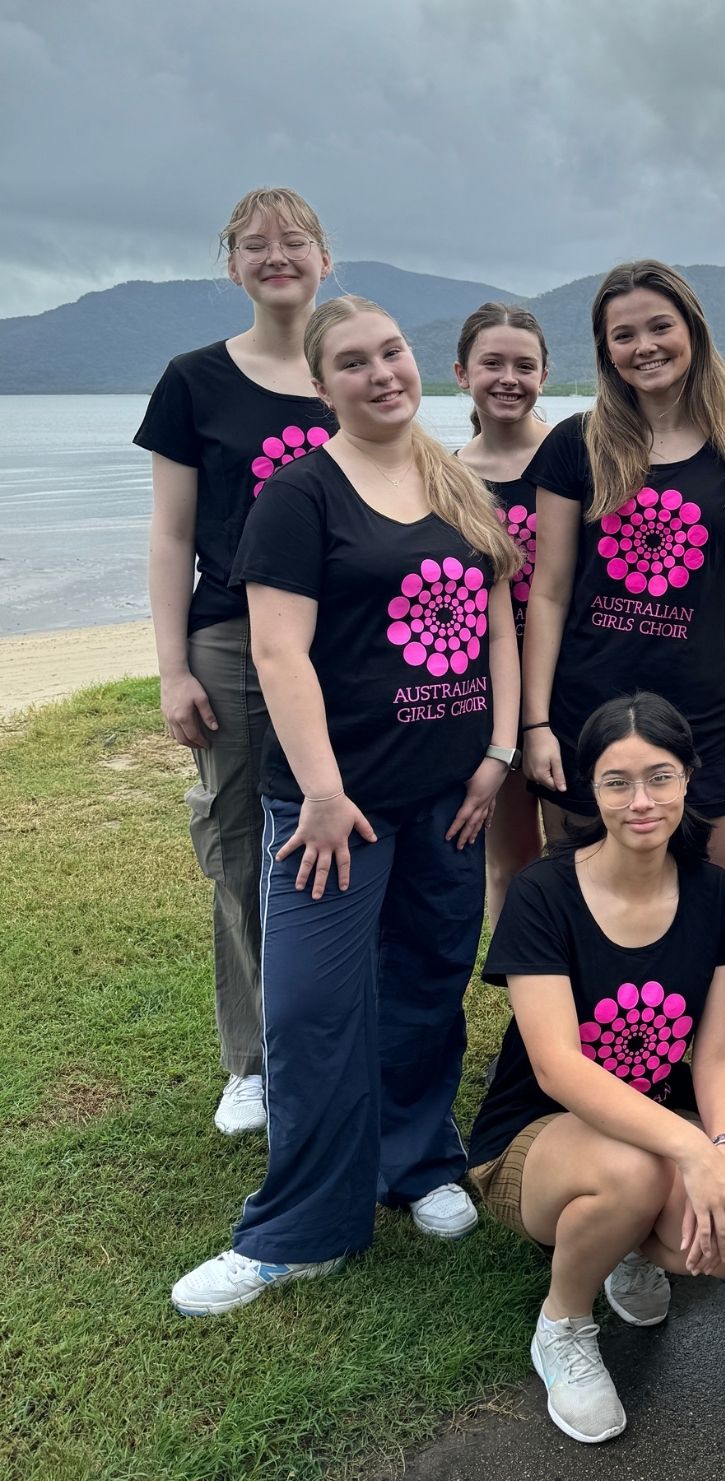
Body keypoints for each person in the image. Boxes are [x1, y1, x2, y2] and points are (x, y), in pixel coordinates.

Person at [171, 295, 522, 1316]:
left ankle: (418, 1162)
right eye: (355, 363)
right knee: (315, 1008)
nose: (382, 374)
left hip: (448, 799)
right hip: (337, 807)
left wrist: (497, 750)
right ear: (322, 388)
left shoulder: (452, 479)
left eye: (394, 352)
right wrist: (321, 789)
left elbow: (496, 611)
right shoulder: (299, 493)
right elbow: (278, 648)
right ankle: (301, 1227)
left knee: (425, 982)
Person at [523, 260, 725, 1179]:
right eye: (622, 334)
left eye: (657, 327)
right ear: (604, 350)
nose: (644, 347)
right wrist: (534, 723)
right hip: (585, 717)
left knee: (715, 923)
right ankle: (611, 1112)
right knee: (594, 915)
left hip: (707, 719)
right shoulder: (573, 444)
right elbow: (548, 591)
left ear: (693, 330)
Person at [469, 692, 725, 1444]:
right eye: (616, 781)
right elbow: (559, 1066)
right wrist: (692, 1147)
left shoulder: (713, 895)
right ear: (587, 789)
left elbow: (722, 1048)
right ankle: (563, 1322)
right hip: (532, 1139)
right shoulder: (544, 892)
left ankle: (621, 1242)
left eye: (660, 777)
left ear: (690, 778)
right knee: (635, 1172)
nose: (641, 801)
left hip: (653, 1128)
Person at [136, 187, 336, 1137]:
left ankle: (341, 1032)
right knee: (240, 842)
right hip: (228, 638)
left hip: (343, 644)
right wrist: (172, 666)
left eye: (293, 241)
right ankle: (254, 1058)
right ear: (232, 266)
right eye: (255, 245)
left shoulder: (350, 371)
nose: (275, 256)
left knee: (342, 833)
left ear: (324, 259)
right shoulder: (193, 380)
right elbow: (172, 534)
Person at [453, 302, 553, 921]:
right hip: (486, 686)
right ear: (462, 373)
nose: (508, 378)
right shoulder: (447, 477)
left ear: (545, 374)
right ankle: (526, 992)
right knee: (508, 853)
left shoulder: (578, 457)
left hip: (570, 675)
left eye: (525, 365)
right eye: (492, 363)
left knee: (582, 841)